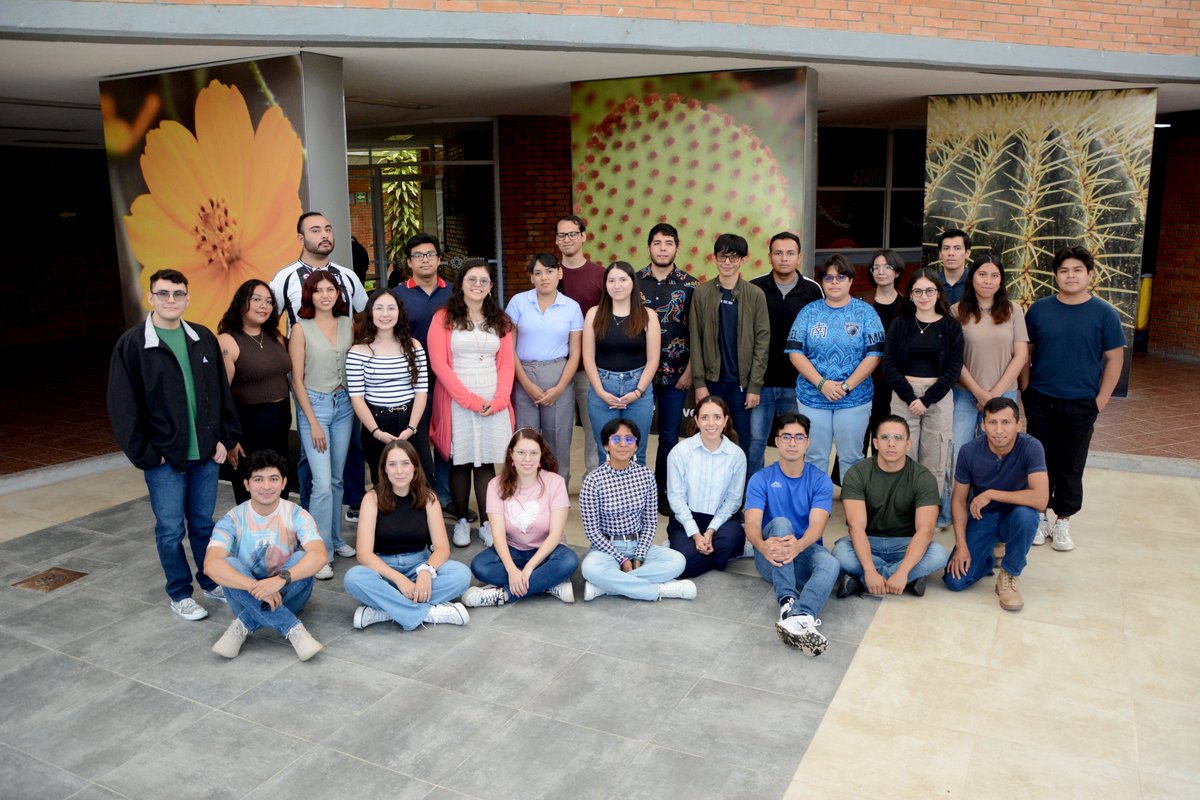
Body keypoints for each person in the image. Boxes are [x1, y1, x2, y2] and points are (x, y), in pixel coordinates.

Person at [108, 268, 240, 621]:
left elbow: (220, 393)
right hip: (165, 460)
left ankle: (212, 583)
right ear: (150, 297)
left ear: (187, 298)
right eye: (163, 293)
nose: (171, 300)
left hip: (206, 455)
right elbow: (123, 407)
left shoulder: (202, 338)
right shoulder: (134, 345)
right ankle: (180, 593)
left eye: (178, 294)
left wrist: (224, 439)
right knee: (170, 530)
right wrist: (148, 455)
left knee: (203, 525)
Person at [1021, 245, 1124, 551]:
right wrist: (1026, 390)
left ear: (1090, 275)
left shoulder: (1104, 313)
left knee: (1071, 462)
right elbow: (1026, 353)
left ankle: (1063, 520)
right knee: (1039, 460)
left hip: (1081, 402)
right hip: (1041, 397)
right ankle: (1038, 515)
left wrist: (1100, 400)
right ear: (1055, 276)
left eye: (1077, 270)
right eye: (1064, 270)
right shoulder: (1039, 309)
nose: (1070, 276)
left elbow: (1114, 359)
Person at [270, 211, 368, 522]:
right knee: (309, 453)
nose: (323, 234)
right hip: (307, 376)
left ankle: (350, 506)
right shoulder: (284, 278)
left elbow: (362, 318)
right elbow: (271, 322)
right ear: (301, 238)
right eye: (315, 230)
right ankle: (311, 518)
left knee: (350, 445)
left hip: (345, 377)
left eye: (327, 228)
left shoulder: (347, 276)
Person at [204, 450, 326, 661]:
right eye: (258, 479)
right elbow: (210, 565)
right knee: (228, 562)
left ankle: (242, 625)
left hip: (291, 593)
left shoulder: (297, 514)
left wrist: (280, 580)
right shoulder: (233, 519)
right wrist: (254, 587)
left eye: (273, 479)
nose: (267, 486)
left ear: (284, 483)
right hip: (244, 595)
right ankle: (293, 629)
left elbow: (320, 555)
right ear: (246, 484)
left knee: (301, 558)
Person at [427, 259, 516, 549]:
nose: (478, 285)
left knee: (488, 461)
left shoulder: (500, 321)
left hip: (493, 396)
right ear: (461, 284)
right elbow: (439, 365)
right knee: (461, 460)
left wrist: (501, 399)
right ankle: (463, 521)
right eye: (472, 280)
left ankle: (488, 524)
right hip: (457, 398)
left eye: (484, 281)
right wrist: (470, 400)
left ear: (491, 287)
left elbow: (505, 366)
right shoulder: (443, 318)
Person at [344, 439, 472, 630]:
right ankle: (426, 612)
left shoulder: (429, 498)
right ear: (384, 469)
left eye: (405, 463)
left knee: (461, 574)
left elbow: (442, 548)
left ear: (414, 467)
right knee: (354, 578)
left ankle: (386, 610)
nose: (399, 471)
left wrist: (426, 572)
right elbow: (364, 554)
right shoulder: (371, 499)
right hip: (384, 570)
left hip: (419, 564)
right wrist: (400, 580)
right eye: (392, 465)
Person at [743, 412, 838, 656]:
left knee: (830, 563)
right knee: (781, 523)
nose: (792, 443)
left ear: (808, 442)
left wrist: (798, 546)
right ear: (776, 441)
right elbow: (752, 523)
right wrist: (763, 547)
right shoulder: (761, 478)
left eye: (799, 437)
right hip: (770, 557)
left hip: (804, 550)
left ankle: (800, 616)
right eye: (786, 437)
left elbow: (817, 525)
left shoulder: (820, 480)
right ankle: (786, 600)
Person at [945, 255, 1029, 527]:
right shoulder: (957, 311)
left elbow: (1021, 355)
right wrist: (980, 392)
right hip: (964, 394)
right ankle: (951, 512)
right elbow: (954, 358)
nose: (988, 281)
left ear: (1001, 280)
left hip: (1004, 397)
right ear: (973, 277)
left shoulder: (1014, 311)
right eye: (982, 274)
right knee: (959, 453)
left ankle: (991, 511)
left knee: (999, 454)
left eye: (994, 275)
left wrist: (994, 394)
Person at [944, 398, 1049, 611]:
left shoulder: (1031, 447)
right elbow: (958, 500)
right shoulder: (969, 451)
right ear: (983, 425)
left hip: (1015, 516)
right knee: (955, 582)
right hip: (983, 517)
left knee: (1027, 515)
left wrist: (992, 493)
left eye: (1006, 422)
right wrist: (962, 546)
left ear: (1019, 425)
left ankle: (1009, 574)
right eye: (992, 423)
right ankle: (990, 557)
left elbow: (1040, 500)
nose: (999, 430)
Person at [785, 254, 885, 477]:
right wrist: (822, 384)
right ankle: (816, 508)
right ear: (822, 281)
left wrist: (846, 386)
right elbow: (795, 352)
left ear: (850, 280)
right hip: (813, 396)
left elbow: (875, 354)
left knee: (851, 456)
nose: (834, 282)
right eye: (828, 278)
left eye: (840, 277)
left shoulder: (866, 312)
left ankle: (853, 508)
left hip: (854, 397)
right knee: (814, 456)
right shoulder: (809, 312)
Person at [579, 419, 695, 602]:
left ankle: (607, 587)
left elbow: (650, 522)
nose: (623, 444)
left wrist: (639, 555)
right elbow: (592, 532)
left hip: (639, 544)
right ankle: (661, 590)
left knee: (678, 561)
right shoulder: (593, 481)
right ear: (606, 446)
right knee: (589, 568)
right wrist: (622, 560)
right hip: (606, 549)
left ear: (636, 447)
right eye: (616, 439)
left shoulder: (646, 476)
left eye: (629, 440)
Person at [834, 416, 949, 598]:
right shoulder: (857, 474)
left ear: (908, 444)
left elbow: (925, 530)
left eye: (898, 438)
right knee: (841, 552)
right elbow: (856, 526)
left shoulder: (923, 477)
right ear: (875, 443)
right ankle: (911, 578)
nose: (891, 444)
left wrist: (902, 571)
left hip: (906, 542)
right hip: (868, 540)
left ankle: (860, 582)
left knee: (939, 554)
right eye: (885, 437)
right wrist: (870, 570)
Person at [288, 270, 356, 580]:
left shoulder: (347, 324)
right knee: (321, 483)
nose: (325, 295)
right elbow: (296, 381)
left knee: (337, 479)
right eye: (319, 290)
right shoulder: (300, 329)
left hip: (343, 406)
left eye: (331, 289)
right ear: (309, 295)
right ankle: (320, 553)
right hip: (314, 406)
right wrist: (312, 422)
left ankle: (336, 538)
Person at [462, 428, 579, 607]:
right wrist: (511, 569)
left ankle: (504, 594)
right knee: (480, 566)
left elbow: (555, 535)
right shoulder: (495, 485)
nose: (527, 459)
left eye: (533, 453)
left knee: (569, 561)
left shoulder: (555, 482)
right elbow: (498, 534)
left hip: (547, 552)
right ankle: (546, 584)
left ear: (541, 455)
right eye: (521, 452)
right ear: (511, 455)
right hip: (513, 550)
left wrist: (529, 568)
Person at [881, 267, 964, 501]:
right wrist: (910, 398)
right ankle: (901, 511)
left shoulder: (951, 326)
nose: (924, 296)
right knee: (900, 453)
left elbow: (954, 368)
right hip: (903, 395)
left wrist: (927, 399)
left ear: (939, 293)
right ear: (910, 295)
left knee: (935, 458)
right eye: (918, 291)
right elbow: (889, 364)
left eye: (929, 290)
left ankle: (928, 512)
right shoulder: (900, 324)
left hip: (938, 397)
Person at [391, 233, 458, 516]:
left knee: (446, 441)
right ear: (409, 262)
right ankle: (419, 497)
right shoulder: (396, 296)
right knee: (415, 440)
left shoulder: (456, 292)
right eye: (418, 256)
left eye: (430, 254)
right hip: (411, 382)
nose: (425, 260)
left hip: (450, 381)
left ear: (439, 259)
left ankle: (444, 496)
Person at [748, 231, 823, 476]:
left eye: (790, 253)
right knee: (755, 442)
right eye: (778, 253)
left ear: (799, 257)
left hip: (797, 383)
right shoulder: (755, 287)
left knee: (794, 443)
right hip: (761, 383)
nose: (784, 258)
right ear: (769, 257)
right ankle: (752, 493)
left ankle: (794, 490)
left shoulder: (812, 290)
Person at [689, 233, 771, 454]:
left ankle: (740, 488)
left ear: (743, 260)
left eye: (733, 258)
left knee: (742, 439)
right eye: (723, 256)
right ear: (714, 258)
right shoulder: (702, 292)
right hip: (711, 381)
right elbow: (695, 339)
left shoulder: (755, 295)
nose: (727, 263)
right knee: (708, 437)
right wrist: (699, 383)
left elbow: (762, 342)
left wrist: (754, 385)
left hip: (741, 384)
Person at [506, 253, 583, 484]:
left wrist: (560, 388)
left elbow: (575, 353)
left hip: (558, 373)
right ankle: (525, 487)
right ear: (531, 278)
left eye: (549, 271)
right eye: (537, 273)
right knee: (525, 438)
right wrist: (526, 384)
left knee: (558, 438)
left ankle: (557, 488)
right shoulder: (518, 302)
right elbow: (509, 348)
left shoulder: (571, 307)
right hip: (524, 372)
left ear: (559, 273)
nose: (544, 278)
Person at [638, 222, 699, 506]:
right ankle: (637, 494)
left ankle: (663, 493)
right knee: (634, 435)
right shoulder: (633, 282)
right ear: (649, 247)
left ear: (677, 247)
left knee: (669, 437)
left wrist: (689, 371)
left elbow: (698, 334)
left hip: (677, 376)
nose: (663, 248)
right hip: (639, 375)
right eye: (657, 243)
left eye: (669, 243)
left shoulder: (691, 286)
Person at [217, 279, 292, 505]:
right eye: (256, 300)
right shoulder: (228, 341)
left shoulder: (275, 337)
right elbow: (220, 395)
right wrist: (230, 439)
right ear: (242, 303)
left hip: (280, 432)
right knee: (251, 496)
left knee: (280, 493)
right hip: (247, 435)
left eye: (269, 301)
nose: (264, 306)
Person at [347, 288, 431, 489]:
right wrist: (377, 432)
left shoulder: (414, 346)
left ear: (399, 313)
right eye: (379, 308)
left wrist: (411, 428)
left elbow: (421, 391)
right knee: (384, 485)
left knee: (424, 481)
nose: (385, 314)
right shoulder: (358, 351)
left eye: (391, 308)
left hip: (412, 420)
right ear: (370, 313)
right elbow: (357, 398)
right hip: (376, 423)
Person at [582, 261, 661, 467]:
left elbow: (653, 359)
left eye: (623, 280)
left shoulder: (648, 316)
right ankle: (607, 500)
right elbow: (588, 357)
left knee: (637, 452)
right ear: (605, 285)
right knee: (605, 452)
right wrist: (600, 392)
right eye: (612, 280)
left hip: (638, 390)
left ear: (633, 283)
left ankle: (636, 499)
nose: (617, 285)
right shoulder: (594, 314)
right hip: (602, 389)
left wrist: (637, 391)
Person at [665, 396, 747, 578]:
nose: (711, 423)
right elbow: (676, 498)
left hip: (722, 520)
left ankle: (707, 551)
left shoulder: (736, 455)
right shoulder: (680, 451)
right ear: (696, 420)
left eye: (717, 417)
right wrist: (695, 534)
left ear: (726, 420)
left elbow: (734, 500)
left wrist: (710, 531)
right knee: (685, 565)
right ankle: (713, 555)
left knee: (729, 541)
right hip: (686, 517)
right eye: (705, 417)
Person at [555, 214, 606, 477]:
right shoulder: (549, 274)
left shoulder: (600, 275)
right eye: (562, 235)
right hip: (556, 367)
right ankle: (557, 483)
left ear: (584, 236)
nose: (568, 239)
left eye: (573, 234)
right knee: (558, 429)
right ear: (556, 240)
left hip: (589, 367)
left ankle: (593, 481)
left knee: (593, 427)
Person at [862, 249, 906, 452]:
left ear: (896, 272)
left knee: (887, 430)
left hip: (894, 378)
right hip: (865, 376)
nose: (881, 272)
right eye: (876, 267)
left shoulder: (908, 304)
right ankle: (850, 480)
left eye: (887, 267)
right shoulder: (862, 302)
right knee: (860, 431)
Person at [936, 228, 972, 305]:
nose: (951, 253)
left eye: (957, 248)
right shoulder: (932, 284)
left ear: (967, 253)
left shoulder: (975, 283)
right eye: (946, 248)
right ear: (940, 254)